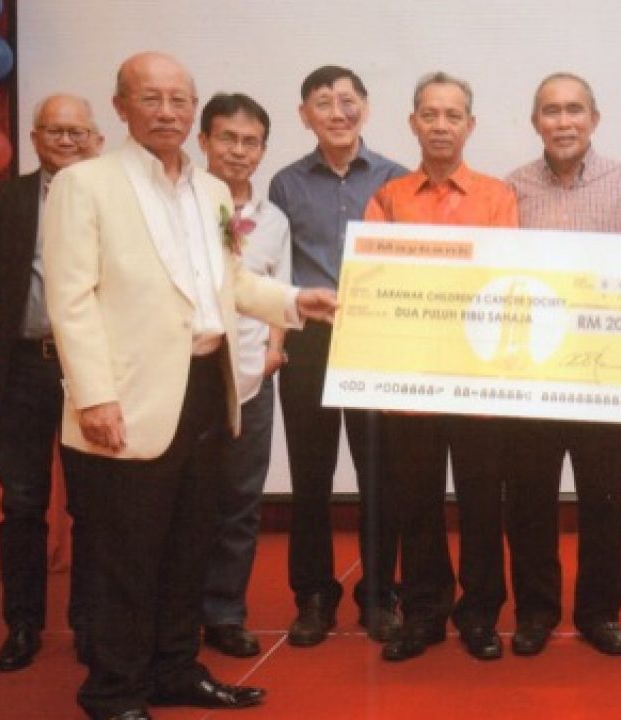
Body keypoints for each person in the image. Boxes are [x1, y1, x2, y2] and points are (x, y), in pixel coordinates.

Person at [43, 52, 336, 720]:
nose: (167, 112)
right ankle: (114, 690)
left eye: (179, 100)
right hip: (128, 395)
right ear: (120, 106)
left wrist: (296, 301)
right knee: (125, 552)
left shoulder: (210, 193)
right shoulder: (85, 185)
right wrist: (94, 396)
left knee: (189, 543)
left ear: (192, 109)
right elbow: (71, 300)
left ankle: (175, 669)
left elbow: (230, 282)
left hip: (207, 384)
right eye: (151, 98)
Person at [364, 71, 519, 663]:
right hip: (411, 375)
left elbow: (504, 279)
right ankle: (424, 613)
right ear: (413, 123)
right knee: (416, 500)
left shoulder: (497, 196)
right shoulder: (389, 198)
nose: (440, 125)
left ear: (470, 125)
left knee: (482, 501)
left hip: (478, 377)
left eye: (453, 115)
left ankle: (479, 614)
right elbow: (374, 279)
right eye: (429, 114)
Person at [503, 72, 621, 657]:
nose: (563, 121)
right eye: (551, 111)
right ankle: (535, 611)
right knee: (529, 502)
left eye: (574, 110)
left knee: (605, 501)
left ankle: (599, 612)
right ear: (534, 121)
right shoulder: (510, 189)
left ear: (594, 117)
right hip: (532, 379)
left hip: (603, 378)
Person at [269, 65, 407, 646]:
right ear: (305, 115)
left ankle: (379, 593)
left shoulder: (397, 179)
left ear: (365, 108)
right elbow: (276, 269)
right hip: (311, 341)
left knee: (381, 476)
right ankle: (314, 595)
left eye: (347, 100)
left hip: (376, 341)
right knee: (311, 475)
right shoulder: (285, 184)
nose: (337, 112)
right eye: (322, 103)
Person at [0, 93, 103, 672]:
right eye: (55, 131)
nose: (67, 141)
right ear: (34, 138)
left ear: (95, 138)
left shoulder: (111, 199)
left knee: (92, 506)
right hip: (22, 367)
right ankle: (22, 625)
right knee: (22, 502)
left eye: (77, 132)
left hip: (90, 370)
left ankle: (90, 624)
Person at [196, 93, 291, 659]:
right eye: (227, 138)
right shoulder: (183, 205)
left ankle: (225, 613)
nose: (238, 150)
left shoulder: (273, 218)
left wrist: (275, 350)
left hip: (252, 376)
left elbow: (278, 288)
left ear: (262, 150)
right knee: (187, 500)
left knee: (240, 500)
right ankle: (176, 612)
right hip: (188, 376)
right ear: (204, 141)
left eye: (250, 141)